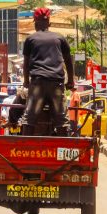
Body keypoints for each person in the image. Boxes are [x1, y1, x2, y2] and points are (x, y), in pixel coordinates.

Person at [21, 7, 75, 136]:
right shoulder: (60, 38)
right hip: (56, 82)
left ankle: (24, 147)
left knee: (29, 118)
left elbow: (26, 64)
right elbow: (68, 62)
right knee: (61, 119)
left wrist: (26, 82)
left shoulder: (30, 39)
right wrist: (71, 81)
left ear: (35, 23)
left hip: (38, 82)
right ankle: (64, 148)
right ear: (49, 23)